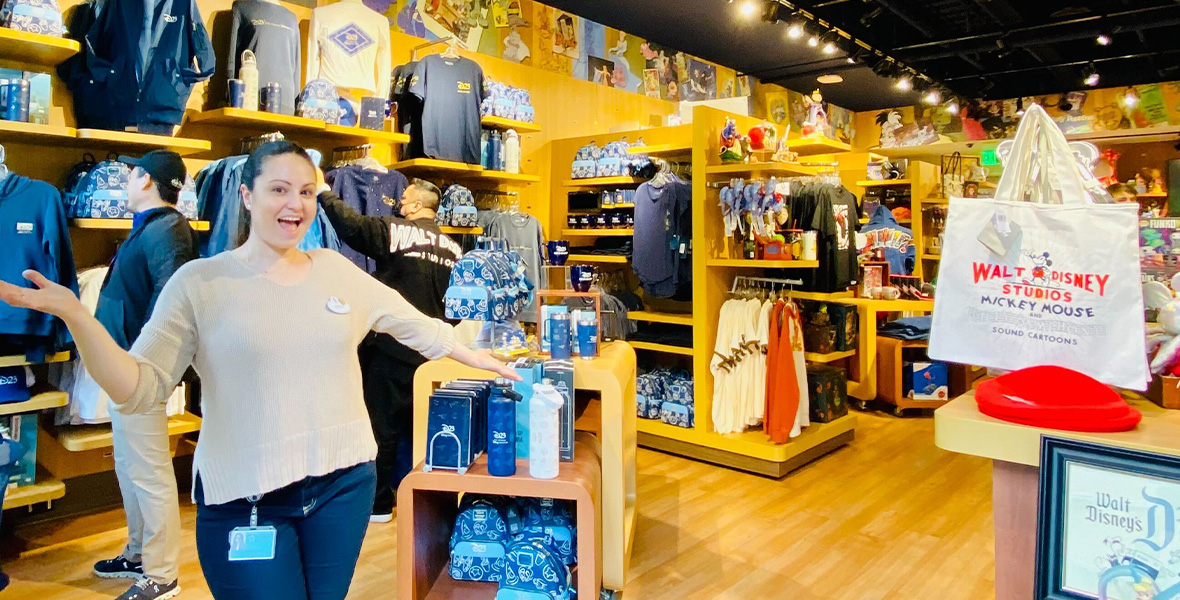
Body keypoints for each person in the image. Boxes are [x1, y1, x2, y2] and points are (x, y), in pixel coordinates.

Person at [0, 141, 518, 600]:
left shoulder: (337, 272)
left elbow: (417, 325)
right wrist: (76, 316)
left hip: (344, 486)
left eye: (307, 192)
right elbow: (140, 388)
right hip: (244, 500)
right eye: (278, 189)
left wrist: (480, 356)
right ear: (246, 196)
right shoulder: (200, 283)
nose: (295, 204)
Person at [317, 178, 463, 523]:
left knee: (380, 426)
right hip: (433, 353)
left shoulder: (396, 231)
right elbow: (458, 308)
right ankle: (425, 503)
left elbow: (352, 227)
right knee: (426, 429)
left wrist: (323, 192)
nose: (399, 203)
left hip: (391, 346)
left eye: (404, 199)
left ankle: (380, 504)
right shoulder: (455, 250)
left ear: (414, 207)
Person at [90, 151, 198, 600]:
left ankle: (161, 573)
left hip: (141, 371)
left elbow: (170, 302)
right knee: (131, 466)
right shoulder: (153, 229)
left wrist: (146, 365)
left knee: (149, 471)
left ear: (146, 180)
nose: (126, 181)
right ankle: (138, 554)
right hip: (126, 369)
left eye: (132, 173)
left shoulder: (168, 230)